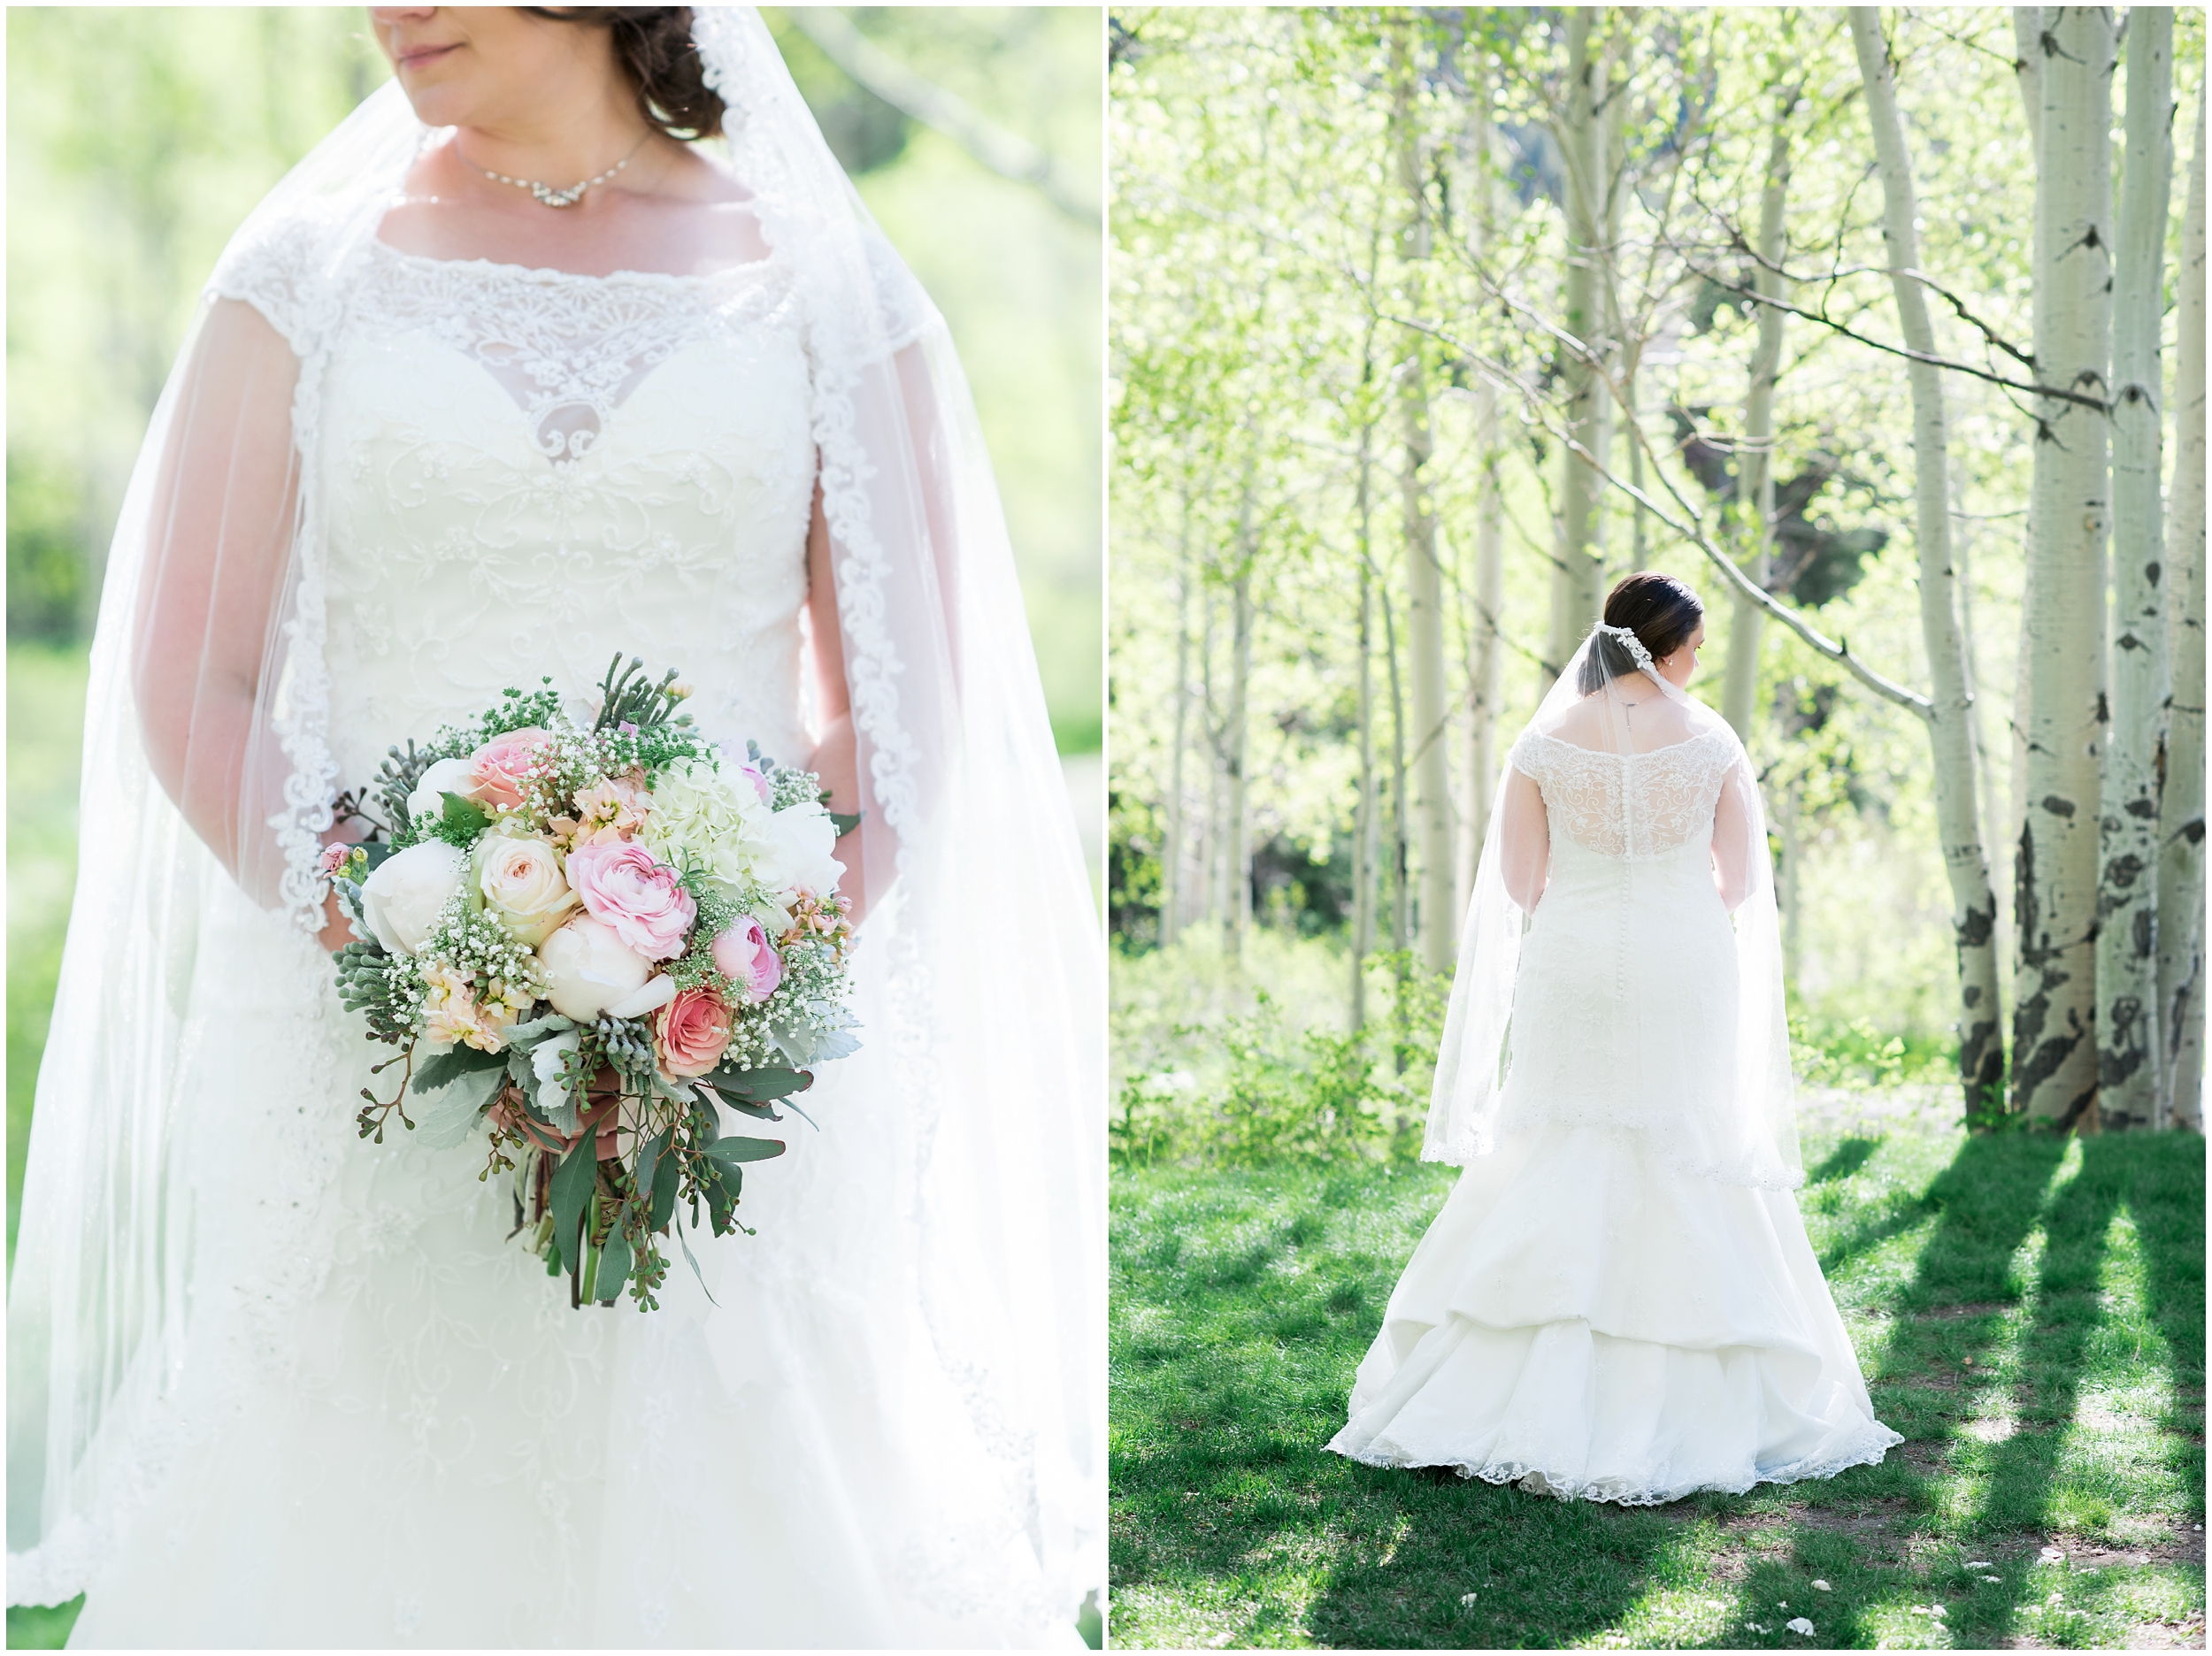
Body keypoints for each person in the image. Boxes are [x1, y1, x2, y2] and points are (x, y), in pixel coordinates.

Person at [6, 8, 1102, 1644]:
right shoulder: (307, 275)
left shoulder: (821, 287)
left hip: (734, 1066)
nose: (393, 7)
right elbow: (197, 680)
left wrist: (712, 992)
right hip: (361, 1059)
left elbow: (896, 723)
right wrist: (431, 960)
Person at [1329, 571, 1900, 1505]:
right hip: (1683, 964)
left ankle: (1493, 1390)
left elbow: (1518, 883)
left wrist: (1592, 910)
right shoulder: (1709, 737)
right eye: (1698, 641)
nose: (1700, 657)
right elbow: (1743, 880)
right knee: (1686, 1141)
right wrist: (1674, 908)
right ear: (1668, 643)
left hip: (1574, 962)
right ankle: (1709, 1400)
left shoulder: (1545, 740)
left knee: (1559, 1137)